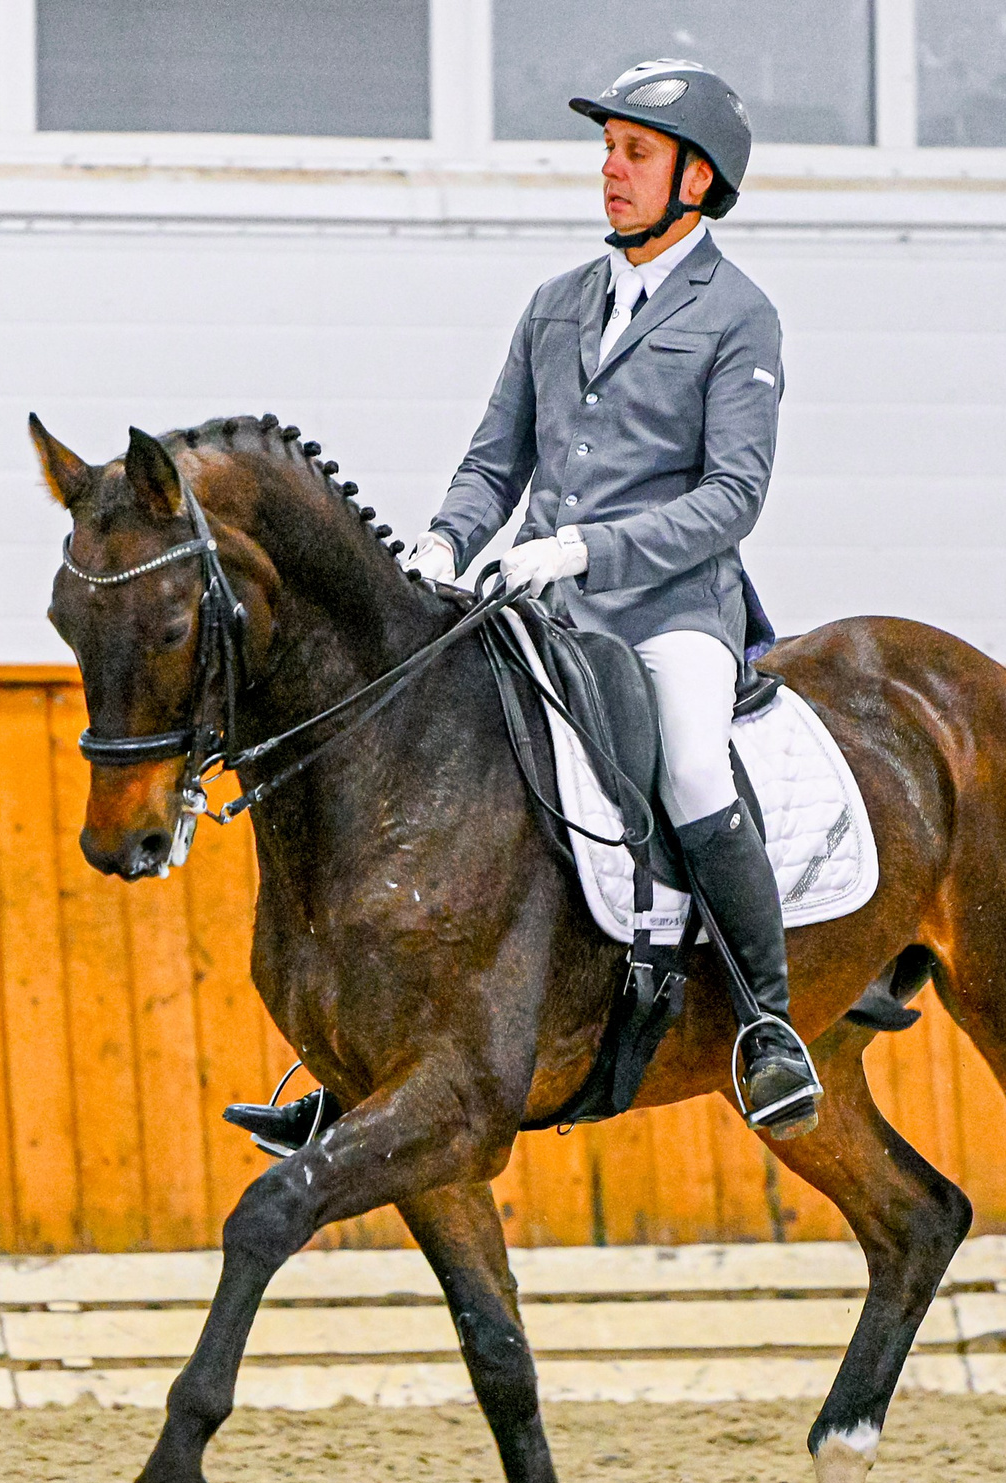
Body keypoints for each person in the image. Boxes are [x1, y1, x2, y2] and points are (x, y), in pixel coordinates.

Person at [409, 59, 819, 1131]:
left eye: (635, 153)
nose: (610, 170)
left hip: (670, 612)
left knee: (690, 765)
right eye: (607, 150)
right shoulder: (554, 305)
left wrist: (584, 551)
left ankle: (767, 1025)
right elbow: (493, 462)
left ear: (696, 179)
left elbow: (732, 497)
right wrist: (446, 541)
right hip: (537, 608)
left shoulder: (739, 315)